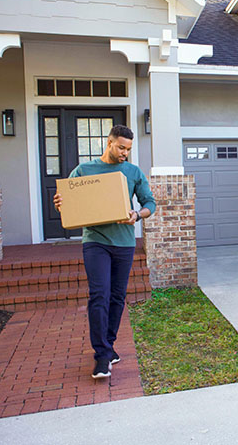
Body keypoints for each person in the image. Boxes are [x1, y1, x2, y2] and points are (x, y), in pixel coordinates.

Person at [54, 125, 155, 379]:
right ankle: (101, 356)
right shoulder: (84, 171)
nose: (125, 153)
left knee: (117, 298)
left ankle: (108, 345)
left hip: (124, 243)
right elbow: (67, 201)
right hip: (95, 241)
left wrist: (136, 214)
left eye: (129, 149)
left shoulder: (132, 172)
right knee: (99, 294)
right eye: (121, 147)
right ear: (109, 143)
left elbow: (149, 204)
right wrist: (60, 203)